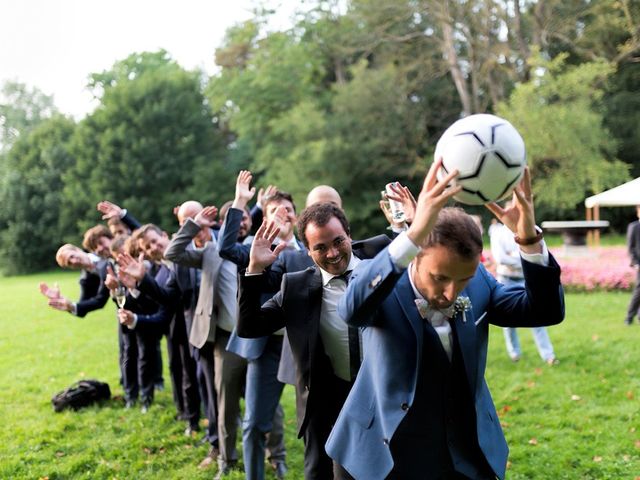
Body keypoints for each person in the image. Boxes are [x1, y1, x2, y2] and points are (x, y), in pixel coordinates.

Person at [326, 162, 565, 480]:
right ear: (417, 255)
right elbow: (351, 310)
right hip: (378, 453)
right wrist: (412, 234)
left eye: (462, 279)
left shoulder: (479, 280)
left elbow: (545, 311)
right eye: (440, 278)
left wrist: (528, 241)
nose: (451, 292)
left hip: (462, 454)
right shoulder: (384, 284)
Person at [237, 202, 390, 480]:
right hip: (329, 399)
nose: (332, 253)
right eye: (320, 247)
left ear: (349, 235)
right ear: (307, 250)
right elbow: (250, 327)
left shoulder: (382, 263)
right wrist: (254, 269)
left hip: (386, 393)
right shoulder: (296, 287)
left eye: (338, 241)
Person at [164, 205, 247, 479]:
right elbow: (171, 253)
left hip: (251, 333)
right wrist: (191, 225)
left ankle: (273, 455)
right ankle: (224, 455)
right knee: (221, 399)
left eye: (203, 219)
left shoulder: (237, 246)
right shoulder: (202, 251)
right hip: (213, 334)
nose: (201, 226)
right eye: (189, 220)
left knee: (258, 399)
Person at [490, 215, 558, 365]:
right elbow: (501, 258)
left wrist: (517, 256)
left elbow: (538, 254)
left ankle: (548, 355)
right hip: (505, 279)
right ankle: (514, 353)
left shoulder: (528, 232)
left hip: (525, 279)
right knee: (507, 322)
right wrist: (523, 257)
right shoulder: (498, 233)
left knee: (538, 318)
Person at [625, 205, 640, 325]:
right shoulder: (634, 227)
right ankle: (629, 317)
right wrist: (635, 263)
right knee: (638, 291)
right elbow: (630, 248)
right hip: (639, 264)